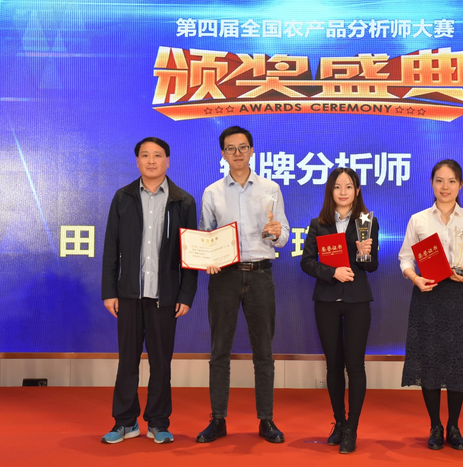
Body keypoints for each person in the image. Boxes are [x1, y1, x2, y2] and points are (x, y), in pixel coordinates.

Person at [101, 137, 198, 444]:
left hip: (164, 298)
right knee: (127, 361)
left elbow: (190, 253)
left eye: (157, 155)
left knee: (161, 363)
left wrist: (185, 295)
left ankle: (158, 422)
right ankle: (125, 422)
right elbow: (111, 248)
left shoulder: (183, 201)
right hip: (129, 295)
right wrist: (109, 291)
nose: (152, 161)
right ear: (137, 161)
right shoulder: (123, 197)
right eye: (145, 155)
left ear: (168, 160)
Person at [196, 126, 289, 444]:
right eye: (231, 148)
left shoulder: (270, 188)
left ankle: (266, 420)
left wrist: (277, 233)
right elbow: (204, 236)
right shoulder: (212, 192)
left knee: (264, 352)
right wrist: (207, 256)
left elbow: (284, 235)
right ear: (223, 154)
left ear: (252, 150)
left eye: (243, 147)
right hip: (224, 276)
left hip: (260, 274)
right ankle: (217, 419)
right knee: (219, 350)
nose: (237, 153)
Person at [398, 159, 463, 451]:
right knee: (430, 360)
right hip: (428, 294)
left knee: (458, 361)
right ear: (431, 184)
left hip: (459, 295)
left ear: (460, 185)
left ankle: (454, 426)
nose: (445, 187)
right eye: (439, 180)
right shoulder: (419, 220)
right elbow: (405, 258)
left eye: (451, 181)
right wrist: (415, 278)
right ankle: (435, 425)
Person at [300, 168, 379, 454]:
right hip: (326, 301)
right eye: (337, 186)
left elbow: (372, 265)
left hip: (357, 301)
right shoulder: (318, 223)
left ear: (357, 191)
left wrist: (365, 254)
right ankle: (340, 423)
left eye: (348, 186)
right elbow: (307, 262)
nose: (343, 192)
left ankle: (352, 428)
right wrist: (332, 272)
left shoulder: (367, 222)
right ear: (330, 191)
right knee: (333, 365)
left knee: (355, 366)